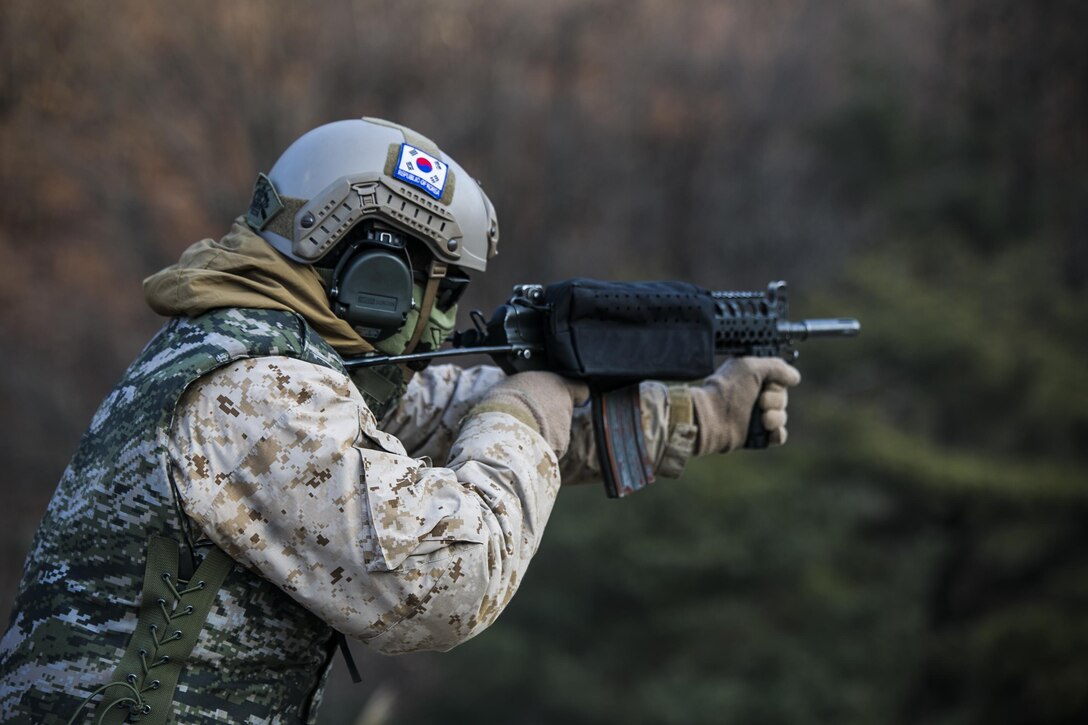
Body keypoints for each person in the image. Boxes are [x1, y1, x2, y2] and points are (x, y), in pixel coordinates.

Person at [0, 118, 801, 723]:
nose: (445, 322)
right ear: (372, 270)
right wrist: (527, 413)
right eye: (440, 290)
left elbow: (451, 415)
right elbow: (449, 581)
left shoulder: (253, 349)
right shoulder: (257, 393)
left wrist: (698, 413)